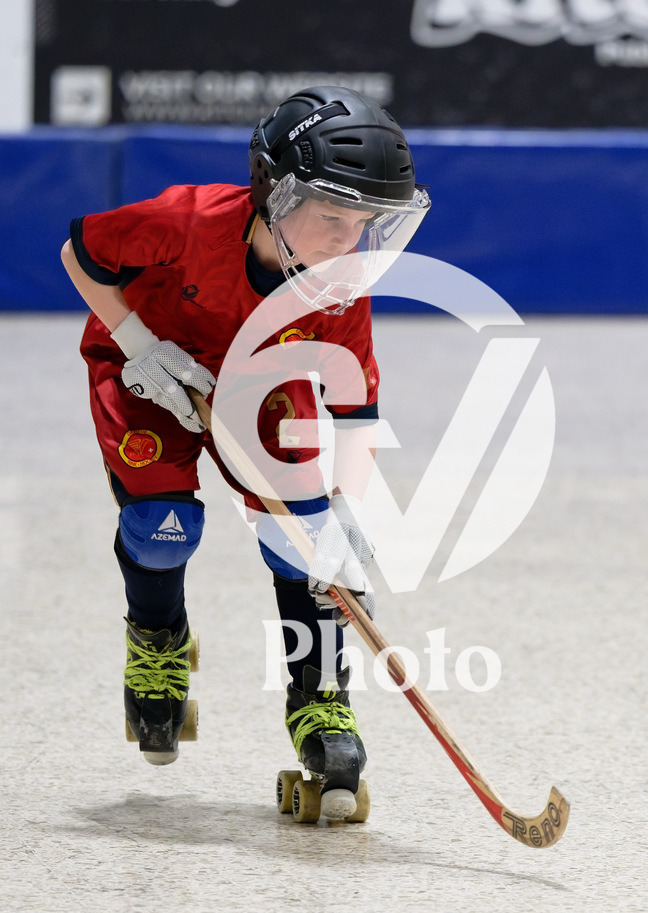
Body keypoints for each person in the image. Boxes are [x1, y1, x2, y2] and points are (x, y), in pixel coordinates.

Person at [61, 86, 430, 819]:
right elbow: (83, 253)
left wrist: (346, 515)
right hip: (145, 373)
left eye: (366, 223)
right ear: (272, 192)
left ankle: (320, 698)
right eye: (331, 216)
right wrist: (139, 343)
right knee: (162, 530)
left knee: (306, 545)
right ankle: (158, 640)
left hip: (262, 388)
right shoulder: (187, 219)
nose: (346, 240)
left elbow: (354, 403)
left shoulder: (338, 284)